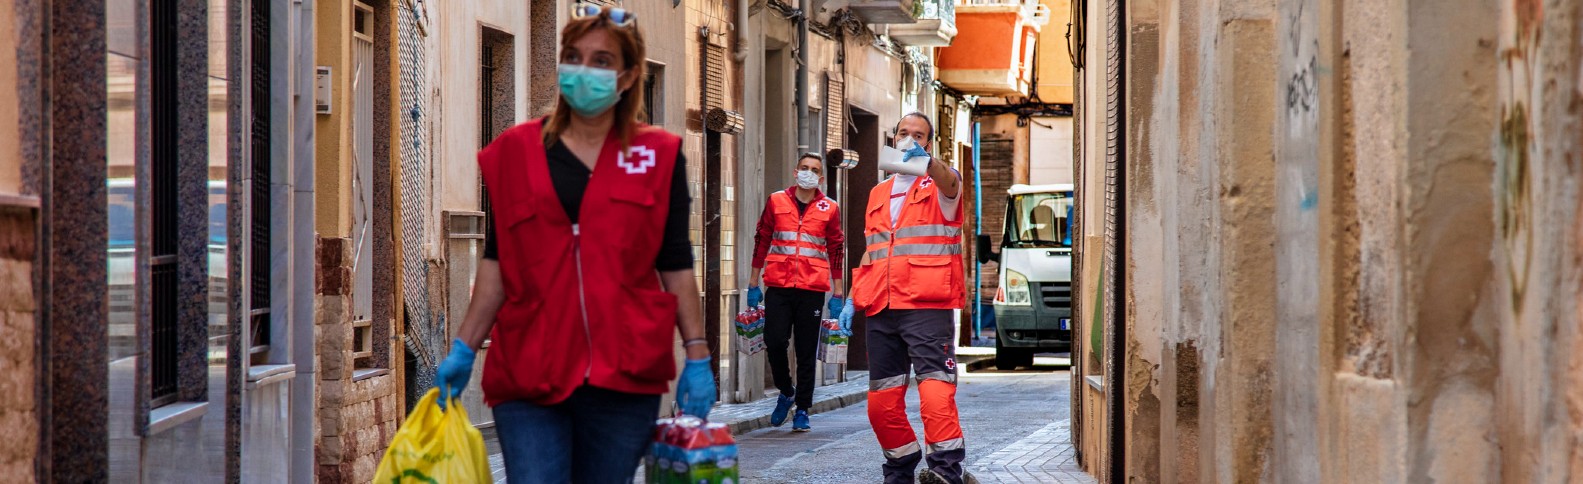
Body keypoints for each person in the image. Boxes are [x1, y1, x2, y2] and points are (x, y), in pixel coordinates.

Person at [432, 4, 716, 483]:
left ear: (627, 78)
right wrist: (463, 347)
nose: (584, 70)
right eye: (573, 56)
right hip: (528, 369)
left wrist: (698, 354)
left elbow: (676, 264)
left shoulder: (657, 156)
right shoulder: (516, 151)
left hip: (625, 374)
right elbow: (498, 261)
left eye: (602, 61)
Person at [842, 112, 976, 484]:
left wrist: (928, 163)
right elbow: (873, 251)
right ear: (893, 136)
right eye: (903, 133)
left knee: (934, 392)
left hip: (927, 304)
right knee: (880, 404)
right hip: (881, 306)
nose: (909, 138)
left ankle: (945, 471)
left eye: (919, 135)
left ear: (929, 144)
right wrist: (852, 299)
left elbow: (951, 181)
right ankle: (900, 467)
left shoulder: (942, 186)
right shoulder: (877, 193)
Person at [747, 153, 846, 433]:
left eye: (814, 170)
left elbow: (836, 250)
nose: (809, 173)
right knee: (775, 341)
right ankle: (786, 390)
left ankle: (802, 408)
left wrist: (838, 293)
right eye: (804, 168)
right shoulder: (777, 200)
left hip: (812, 288)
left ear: (821, 178)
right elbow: (762, 239)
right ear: (795, 171)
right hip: (778, 285)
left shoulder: (830, 207)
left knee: (805, 350)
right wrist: (753, 283)